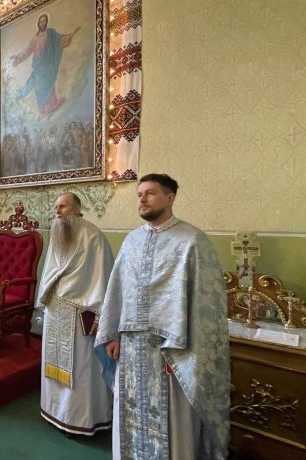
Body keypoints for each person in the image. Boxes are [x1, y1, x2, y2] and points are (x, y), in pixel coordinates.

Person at [94, 173, 230, 460]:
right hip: (131, 350)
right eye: (139, 194)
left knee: (173, 426)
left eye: (150, 193)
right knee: (131, 414)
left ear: (170, 198)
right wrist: (113, 334)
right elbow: (117, 291)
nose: (142, 199)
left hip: (171, 352)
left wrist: (188, 351)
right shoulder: (132, 241)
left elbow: (206, 305)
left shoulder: (192, 241)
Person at [36, 192, 114, 436]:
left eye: (63, 206)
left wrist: (101, 314)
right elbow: (50, 271)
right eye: (56, 207)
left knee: (81, 369)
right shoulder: (58, 233)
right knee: (53, 362)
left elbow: (103, 277)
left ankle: (79, 420)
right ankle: (54, 412)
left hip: (80, 312)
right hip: (56, 309)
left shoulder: (94, 237)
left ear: (77, 208)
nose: (57, 211)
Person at [11, 13, 80, 115]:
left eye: (44, 21)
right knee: (39, 88)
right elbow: (28, 51)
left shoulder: (51, 33)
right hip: (39, 67)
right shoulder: (35, 39)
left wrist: (71, 34)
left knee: (48, 84)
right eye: (41, 21)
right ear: (38, 24)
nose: (42, 23)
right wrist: (18, 57)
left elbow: (60, 39)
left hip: (48, 66)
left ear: (46, 22)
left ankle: (52, 104)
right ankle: (43, 109)